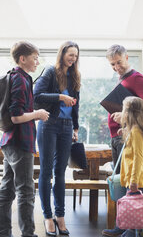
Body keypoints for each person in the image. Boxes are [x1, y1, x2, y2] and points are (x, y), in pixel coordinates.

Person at [102, 44, 143, 237]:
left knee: (131, 182)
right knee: (123, 183)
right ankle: (124, 224)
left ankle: (136, 228)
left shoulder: (136, 77)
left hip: (128, 136)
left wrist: (125, 119)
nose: (116, 67)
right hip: (120, 137)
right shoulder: (122, 78)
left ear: (127, 57)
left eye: (118, 62)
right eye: (112, 65)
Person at [0, 41, 49, 237]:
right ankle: (28, 234)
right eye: (34, 58)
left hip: (9, 140)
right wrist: (38, 113)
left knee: (6, 190)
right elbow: (16, 117)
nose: (37, 62)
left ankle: (3, 232)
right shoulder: (21, 79)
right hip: (21, 142)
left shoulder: (10, 76)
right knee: (26, 192)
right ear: (22, 59)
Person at [33, 41, 81, 236]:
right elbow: (37, 95)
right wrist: (60, 97)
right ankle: (47, 216)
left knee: (60, 172)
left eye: (76, 56)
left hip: (67, 127)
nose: (73, 58)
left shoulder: (75, 76)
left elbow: (76, 104)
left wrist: (76, 127)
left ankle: (60, 216)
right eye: (70, 54)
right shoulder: (50, 71)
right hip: (49, 124)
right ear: (62, 54)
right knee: (46, 172)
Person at [119, 96, 143, 237]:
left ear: (129, 113)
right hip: (134, 180)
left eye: (124, 109)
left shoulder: (136, 132)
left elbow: (138, 158)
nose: (122, 112)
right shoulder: (133, 130)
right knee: (136, 220)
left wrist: (133, 181)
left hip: (138, 181)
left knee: (139, 224)